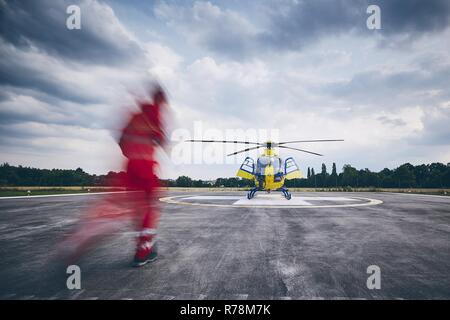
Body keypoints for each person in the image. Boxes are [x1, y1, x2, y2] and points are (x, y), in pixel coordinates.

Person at [119, 85, 168, 266]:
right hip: (145, 166)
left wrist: (132, 155)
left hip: (130, 166)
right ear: (160, 100)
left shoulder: (135, 116)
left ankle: (144, 245)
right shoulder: (154, 113)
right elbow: (161, 139)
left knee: (138, 210)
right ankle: (143, 251)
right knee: (149, 209)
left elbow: (121, 141)